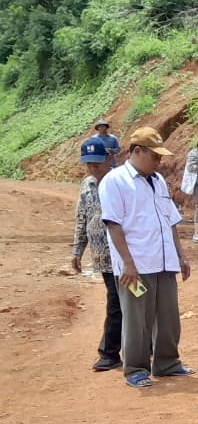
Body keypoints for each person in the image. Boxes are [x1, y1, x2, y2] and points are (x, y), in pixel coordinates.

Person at [98, 126, 193, 389]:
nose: (159, 161)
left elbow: (170, 220)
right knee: (137, 318)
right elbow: (113, 225)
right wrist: (128, 263)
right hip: (136, 264)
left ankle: (167, 363)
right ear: (136, 151)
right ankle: (136, 369)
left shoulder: (158, 181)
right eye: (154, 156)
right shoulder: (115, 181)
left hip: (164, 261)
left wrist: (181, 255)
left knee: (168, 317)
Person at [71, 139, 121, 372]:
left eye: (97, 163)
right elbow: (82, 217)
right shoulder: (87, 185)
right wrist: (77, 250)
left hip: (124, 255)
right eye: (88, 164)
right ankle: (112, 353)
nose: (93, 168)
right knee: (117, 302)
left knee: (124, 303)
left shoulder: (120, 182)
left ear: (109, 159)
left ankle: (112, 353)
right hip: (102, 258)